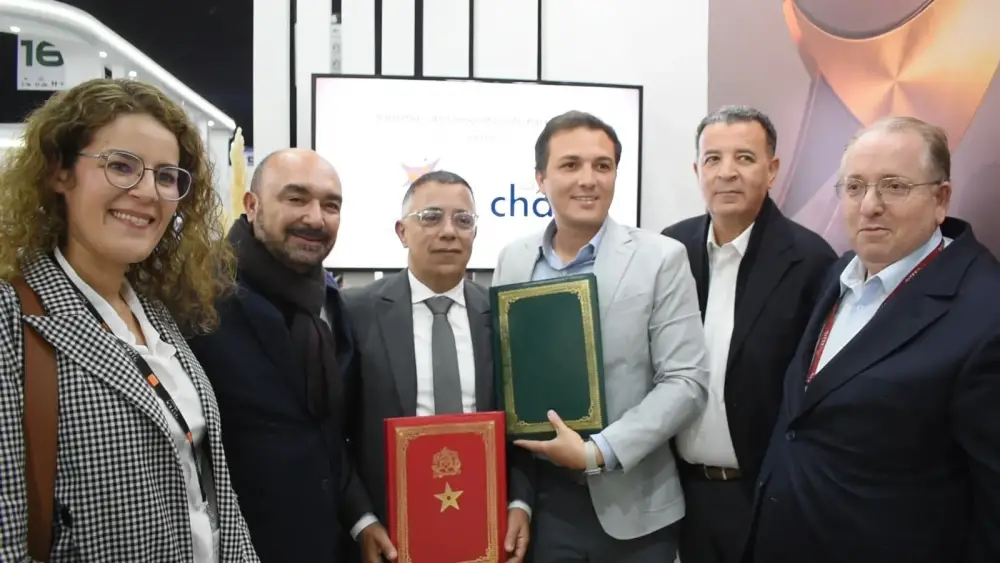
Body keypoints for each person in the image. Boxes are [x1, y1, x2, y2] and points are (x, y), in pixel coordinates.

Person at [0, 78, 257, 561]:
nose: (147, 192)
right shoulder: (11, 317)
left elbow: (211, 490)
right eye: (121, 166)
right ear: (59, 171)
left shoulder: (155, 313)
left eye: (166, 176)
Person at [746, 116, 1000, 563]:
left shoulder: (985, 313)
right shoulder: (837, 274)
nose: (869, 206)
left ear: (941, 199)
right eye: (855, 186)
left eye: (894, 186)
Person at [492, 110, 711, 563]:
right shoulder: (513, 260)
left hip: (635, 507)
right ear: (540, 178)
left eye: (602, 166)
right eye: (570, 165)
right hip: (542, 507)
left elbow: (686, 381)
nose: (588, 179)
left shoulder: (661, 258)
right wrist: (518, 496)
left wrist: (598, 451)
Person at [661, 106, 837, 563]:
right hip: (683, 495)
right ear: (697, 170)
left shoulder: (810, 261)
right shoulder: (669, 250)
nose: (727, 173)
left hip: (766, 495)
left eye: (744, 157)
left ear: (772, 169)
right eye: (713, 159)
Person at [340, 170, 534, 563]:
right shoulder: (355, 312)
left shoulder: (502, 315)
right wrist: (361, 519)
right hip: (391, 534)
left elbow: (524, 428)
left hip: (487, 530)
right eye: (431, 217)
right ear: (401, 231)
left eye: (463, 220)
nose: (449, 231)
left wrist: (520, 502)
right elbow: (335, 431)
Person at [188, 148, 353, 562]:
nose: (315, 218)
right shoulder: (198, 296)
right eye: (296, 199)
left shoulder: (328, 298)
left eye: (330, 205)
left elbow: (332, 435)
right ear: (251, 204)